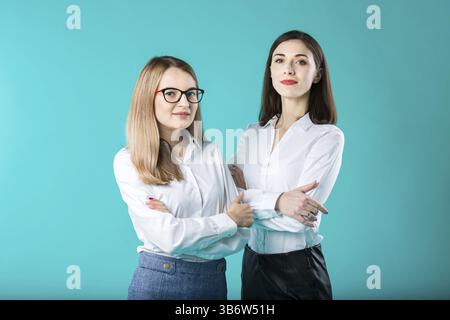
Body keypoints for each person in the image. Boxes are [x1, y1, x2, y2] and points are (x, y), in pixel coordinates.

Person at [113, 56, 255, 300]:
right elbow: (171, 238)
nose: (185, 102)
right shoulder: (129, 161)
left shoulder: (211, 152)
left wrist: (184, 227)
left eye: (191, 93)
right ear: (149, 97)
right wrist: (227, 220)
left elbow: (242, 233)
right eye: (171, 93)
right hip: (161, 282)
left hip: (213, 281)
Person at [231, 30, 345, 300]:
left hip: (299, 271)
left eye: (301, 61)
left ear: (317, 73)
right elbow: (227, 199)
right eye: (280, 60)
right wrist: (280, 201)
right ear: (270, 71)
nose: (289, 69)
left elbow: (299, 222)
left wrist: (245, 201)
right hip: (252, 265)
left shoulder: (327, 136)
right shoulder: (252, 133)